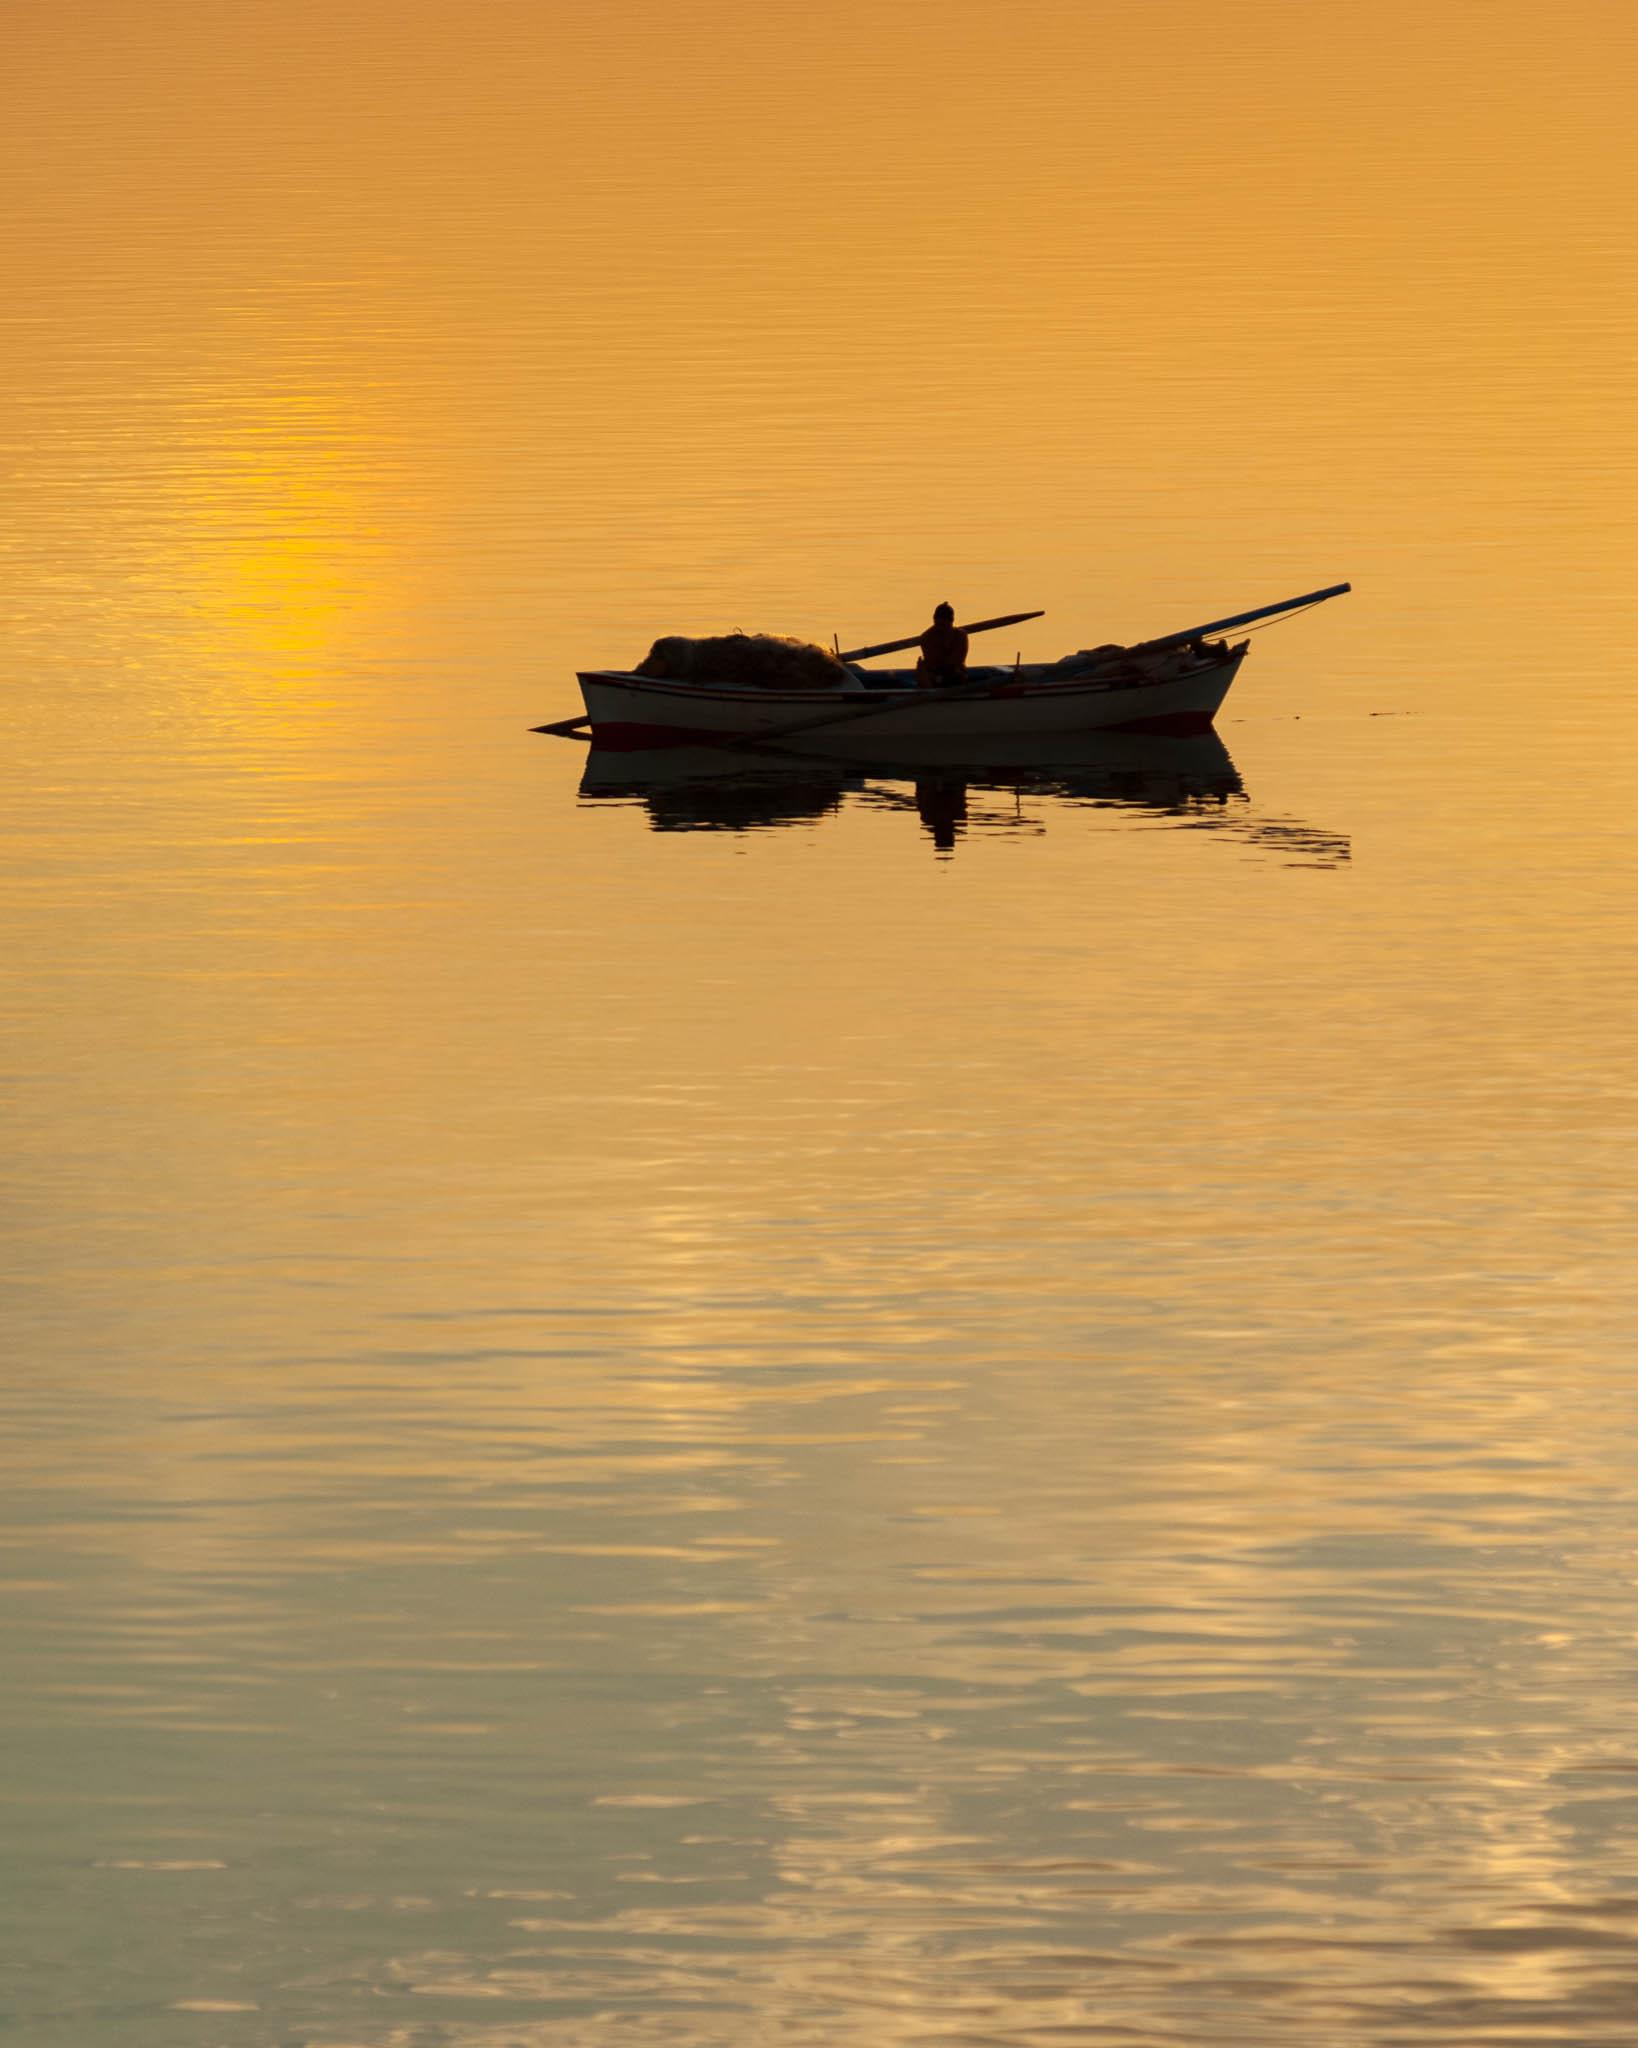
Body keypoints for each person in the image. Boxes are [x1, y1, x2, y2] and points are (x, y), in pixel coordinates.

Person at [916, 602, 968, 688]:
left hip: (954, 673)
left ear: (951, 621)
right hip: (934, 674)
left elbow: (957, 660)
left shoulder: (960, 635)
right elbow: (932, 662)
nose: (941, 629)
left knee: (957, 673)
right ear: (934, 621)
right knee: (923, 672)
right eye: (939, 625)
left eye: (944, 626)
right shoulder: (927, 637)